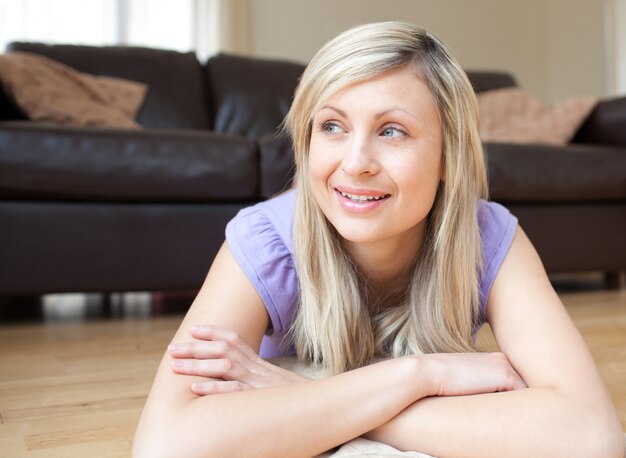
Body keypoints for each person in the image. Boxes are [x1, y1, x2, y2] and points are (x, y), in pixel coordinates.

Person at [133, 21, 622, 458]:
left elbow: (590, 436)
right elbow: (165, 445)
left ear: (449, 157)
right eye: (331, 127)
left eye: (391, 131)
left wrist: (305, 392)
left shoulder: (489, 236)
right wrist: (422, 376)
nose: (355, 162)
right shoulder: (266, 241)